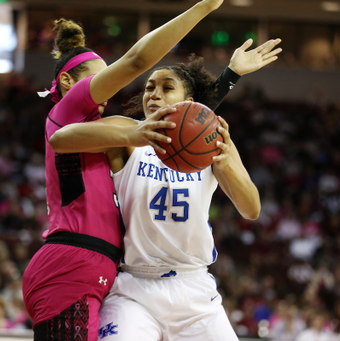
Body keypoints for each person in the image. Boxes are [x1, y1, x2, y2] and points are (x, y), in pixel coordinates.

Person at [49, 41, 281, 341]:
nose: (154, 93)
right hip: (134, 288)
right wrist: (133, 133)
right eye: (148, 87)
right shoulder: (128, 134)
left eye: (166, 87)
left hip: (194, 287)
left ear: (191, 100)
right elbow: (60, 139)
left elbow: (252, 210)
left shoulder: (214, 141)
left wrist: (228, 165)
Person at [22, 1, 227, 340]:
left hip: (95, 269)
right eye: (100, 76)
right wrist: (203, 7)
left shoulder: (102, 132)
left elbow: (181, 129)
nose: (110, 84)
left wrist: (229, 78)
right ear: (68, 81)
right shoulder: (68, 112)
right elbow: (137, 61)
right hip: (71, 264)